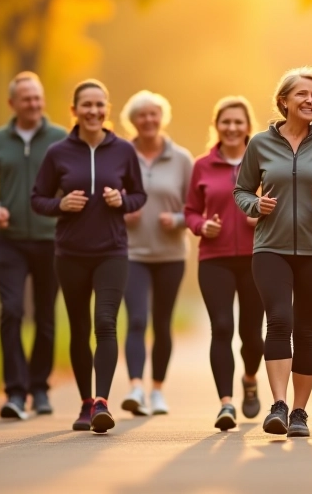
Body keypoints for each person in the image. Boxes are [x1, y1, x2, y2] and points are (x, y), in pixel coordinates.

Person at [234, 66, 312, 438]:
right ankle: (278, 404)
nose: (310, 100)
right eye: (302, 94)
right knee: (279, 322)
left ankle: (300, 412)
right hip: (270, 248)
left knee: (306, 331)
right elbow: (241, 191)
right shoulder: (259, 144)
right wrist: (257, 206)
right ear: (284, 100)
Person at [31, 79, 146, 434]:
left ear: (107, 109)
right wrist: (60, 205)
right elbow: (38, 198)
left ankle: (102, 402)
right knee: (79, 328)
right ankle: (84, 403)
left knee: (106, 323)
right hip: (71, 253)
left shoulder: (124, 150)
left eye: (100, 105)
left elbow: (139, 195)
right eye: (87, 105)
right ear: (74, 111)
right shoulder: (58, 153)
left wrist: (122, 202)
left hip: (112, 250)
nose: (94, 111)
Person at [0, 71, 67, 420]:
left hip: (51, 239)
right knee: (11, 311)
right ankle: (15, 391)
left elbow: (74, 180)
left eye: (38, 97)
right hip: (9, 242)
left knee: (45, 315)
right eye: (27, 98)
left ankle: (39, 388)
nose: (34, 104)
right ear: (12, 103)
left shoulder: (60, 139)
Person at [185, 96, 265, 430]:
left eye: (238, 122)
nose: (231, 128)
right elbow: (189, 210)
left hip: (257, 257)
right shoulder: (202, 166)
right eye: (225, 122)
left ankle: (249, 378)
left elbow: (286, 203)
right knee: (221, 327)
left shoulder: (264, 161)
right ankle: (225, 404)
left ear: (248, 126)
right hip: (214, 259)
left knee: (251, 333)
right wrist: (203, 226)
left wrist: (261, 217)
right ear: (216, 126)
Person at [119, 90, 194, 417]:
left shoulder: (181, 159)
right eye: (141, 115)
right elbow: (107, 199)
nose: (148, 120)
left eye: (154, 114)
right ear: (132, 121)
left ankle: (158, 390)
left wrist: (177, 219)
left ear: (162, 118)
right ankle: (136, 387)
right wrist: (120, 211)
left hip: (170, 254)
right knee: (136, 319)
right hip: (130, 252)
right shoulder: (119, 155)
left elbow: (195, 207)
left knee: (162, 323)